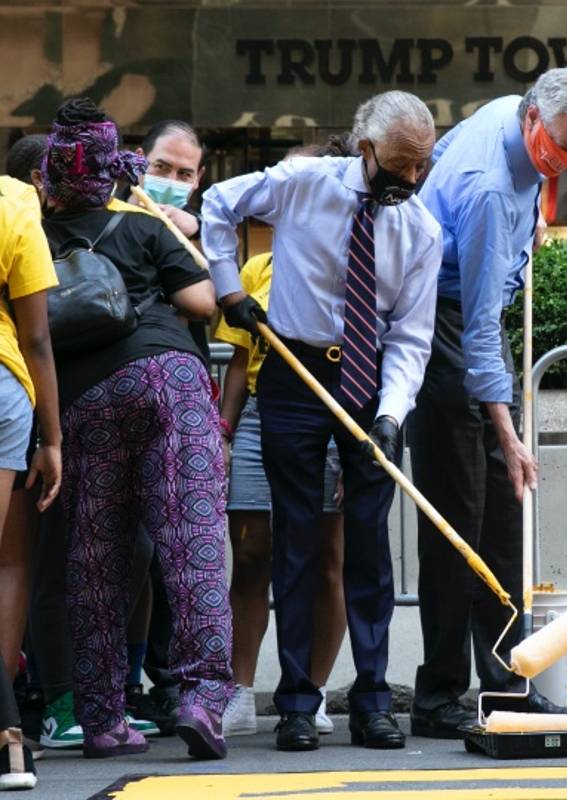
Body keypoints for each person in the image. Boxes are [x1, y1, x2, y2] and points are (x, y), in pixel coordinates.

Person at [203, 91, 441, 752]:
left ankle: (371, 698)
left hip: (368, 385)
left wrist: (391, 415)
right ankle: (298, 702)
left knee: (367, 541)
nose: (412, 178)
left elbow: (411, 338)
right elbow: (219, 203)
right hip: (292, 375)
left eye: (423, 164)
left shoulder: (421, 230)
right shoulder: (303, 184)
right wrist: (229, 289)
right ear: (366, 149)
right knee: (297, 542)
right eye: (401, 164)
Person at [409, 66, 567, 738]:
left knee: (501, 521)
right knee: (457, 520)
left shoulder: (504, 110)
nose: (566, 159)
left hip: (472, 307)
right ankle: (439, 693)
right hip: (441, 319)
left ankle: (506, 683)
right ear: (532, 118)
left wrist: (528, 234)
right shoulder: (491, 190)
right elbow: (481, 330)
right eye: (559, 144)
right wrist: (509, 433)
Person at [39, 97, 231, 760]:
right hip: (171, 381)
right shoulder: (144, 226)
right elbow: (201, 303)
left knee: (96, 563)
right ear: (113, 169)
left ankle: (102, 721)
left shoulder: (27, 234)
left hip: (82, 400)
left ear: (48, 176)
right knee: (192, 544)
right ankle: (204, 700)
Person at [4, 134, 159, 751]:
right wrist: (52, 437)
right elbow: (37, 339)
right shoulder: (22, 220)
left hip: (55, 410)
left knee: (113, 556)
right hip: (31, 401)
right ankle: (38, 706)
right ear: (39, 185)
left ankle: (103, 693)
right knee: (25, 561)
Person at [217, 137, 354, 738]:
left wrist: (359, 448)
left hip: (332, 422)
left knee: (325, 562)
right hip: (258, 420)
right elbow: (238, 361)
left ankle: (312, 691)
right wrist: (221, 433)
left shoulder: (357, 264)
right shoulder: (256, 269)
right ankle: (239, 690)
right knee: (249, 556)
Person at [124, 119, 212, 736]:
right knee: (121, 553)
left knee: (176, 552)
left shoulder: (197, 235)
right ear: (137, 162)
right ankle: (117, 684)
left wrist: (191, 233)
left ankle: (173, 682)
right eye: (162, 168)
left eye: (185, 174)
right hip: (118, 399)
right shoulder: (112, 221)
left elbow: (209, 300)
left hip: (185, 408)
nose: (173, 182)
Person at [0, 168, 63, 790]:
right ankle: (10, 738)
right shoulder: (14, 202)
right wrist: (53, 438)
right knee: (9, 561)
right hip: (3, 385)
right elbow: (36, 335)